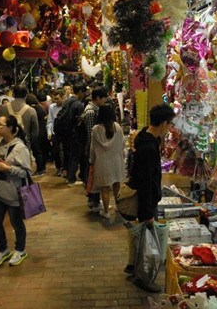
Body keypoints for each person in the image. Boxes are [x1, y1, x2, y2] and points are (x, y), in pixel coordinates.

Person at [125, 103, 175, 293]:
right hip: (146, 201)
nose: (170, 128)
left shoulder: (147, 137)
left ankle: (134, 268)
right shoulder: (148, 147)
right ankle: (144, 277)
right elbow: (145, 182)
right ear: (163, 123)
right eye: (169, 124)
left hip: (147, 197)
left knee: (142, 238)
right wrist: (147, 213)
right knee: (148, 240)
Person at [0, 115, 32, 268]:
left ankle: (20, 250)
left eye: (0, 124)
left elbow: (27, 172)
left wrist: (9, 169)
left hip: (14, 193)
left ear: (10, 128)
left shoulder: (19, 148)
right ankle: (3, 249)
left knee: (17, 224)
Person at [89, 104, 125, 219]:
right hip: (117, 161)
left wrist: (91, 160)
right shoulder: (117, 127)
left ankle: (106, 211)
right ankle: (118, 207)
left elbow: (93, 147)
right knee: (116, 184)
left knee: (104, 188)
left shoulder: (96, 129)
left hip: (102, 162)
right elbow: (122, 144)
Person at [79, 87, 107, 210]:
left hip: (92, 149)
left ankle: (94, 200)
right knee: (91, 175)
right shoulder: (91, 112)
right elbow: (91, 135)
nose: (105, 100)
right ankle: (93, 200)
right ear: (98, 98)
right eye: (104, 98)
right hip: (90, 149)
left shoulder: (95, 110)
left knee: (93, 175)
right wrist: (92, 153)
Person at [63, 82, 87, 185]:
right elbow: (80, 121)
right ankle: (71, 178)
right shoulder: (78, 104)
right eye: (84, 92)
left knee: (73, 155)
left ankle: (72, 176)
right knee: (76, 156)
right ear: (80, 91)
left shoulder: (67, 101)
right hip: (76, 134)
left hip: (68, 133)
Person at [26, 93, 46, 175]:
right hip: (42, 131)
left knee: (37, 152)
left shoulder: (32, 110)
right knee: (41, 151)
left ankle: (40, 169)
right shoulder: (39, 108)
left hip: (36, 133)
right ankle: (42, 168)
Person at [46, 90, 65, 176]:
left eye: (57, 99)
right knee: (56, 151)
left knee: (64, 151)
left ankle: (65, 168)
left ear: (62, 98)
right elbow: (50, 121)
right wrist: (49, 132)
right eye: (55, 99)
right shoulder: (52, 107)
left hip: (64, 132)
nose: (56, 101)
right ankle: (59, 168)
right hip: (55, 132)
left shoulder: (66, 107)